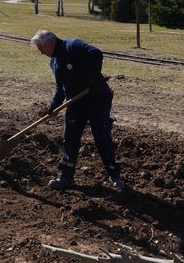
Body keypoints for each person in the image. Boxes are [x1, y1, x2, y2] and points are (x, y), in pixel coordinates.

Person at [31, 30, 124, 190]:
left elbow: (96, 53)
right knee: (70, 138)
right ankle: (65, 176)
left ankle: (114, 175)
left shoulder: (73, 45)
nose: (40, 52)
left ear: (50, 43)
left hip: (97, 99)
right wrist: (53, 106)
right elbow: (61, 89)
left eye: (41, 48)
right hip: (75, 103)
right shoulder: (54, 61)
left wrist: (93, 78)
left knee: (102, 136)